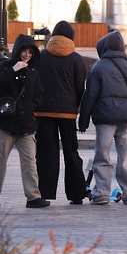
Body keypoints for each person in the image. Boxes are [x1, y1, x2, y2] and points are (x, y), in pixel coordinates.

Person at [0, 34, 49, 208]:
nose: (27, 55)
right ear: (17, 51)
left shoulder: (34, 71)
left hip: (26, 124)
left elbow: (40, 94)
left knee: (30, 162)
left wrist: (32, 107)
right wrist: (14, 69)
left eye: (30, 52)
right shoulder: (7, 66)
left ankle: (33, 197)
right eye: (24, 51)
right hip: (6, 123)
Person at [79, 31, 127, 205]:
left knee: (102, 155)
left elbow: (90, 96)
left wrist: (83, 120)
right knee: (125, 156)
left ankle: (101, 193)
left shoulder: (98, 67)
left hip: (106, 118)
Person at [35, 21, 88, 203]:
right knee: (71, 152)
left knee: (46, 153)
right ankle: (76, 194)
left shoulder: (41, 56)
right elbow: (80, 87)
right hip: (67, 113)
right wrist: (75, 106)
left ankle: (45, 193)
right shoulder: (75, 59)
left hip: (43, 112)